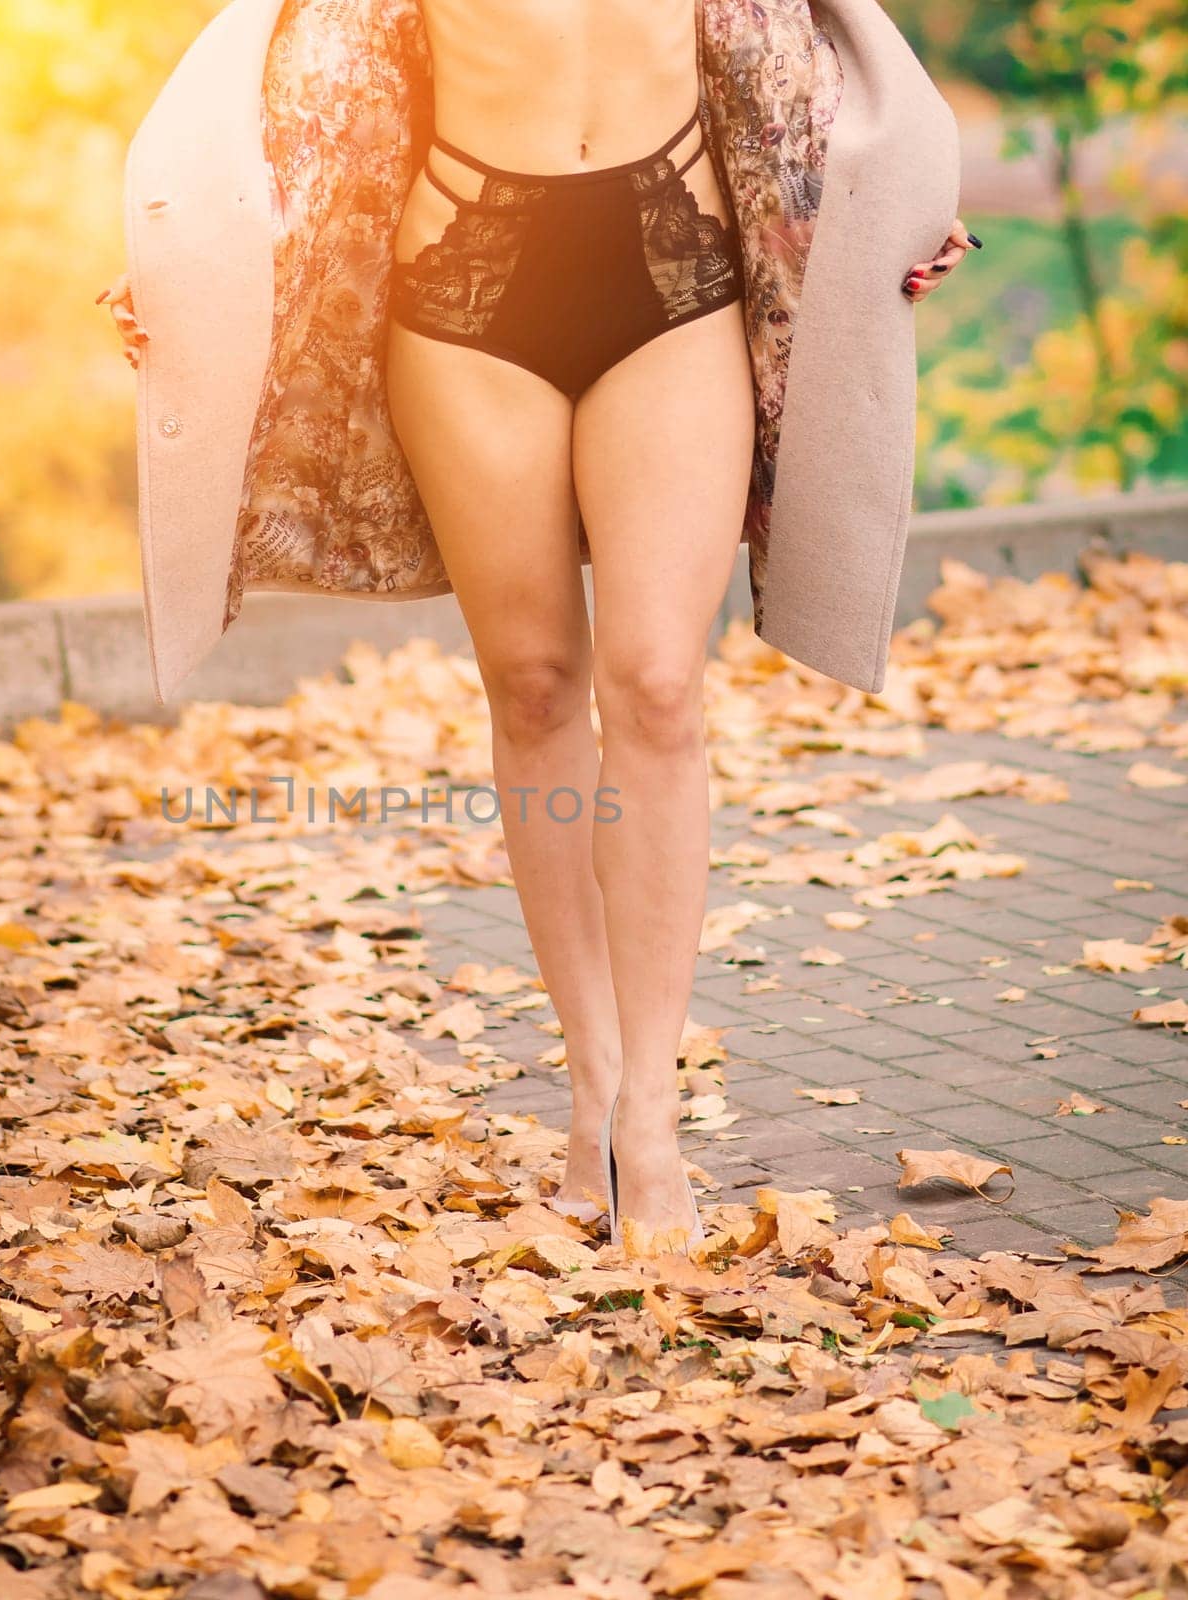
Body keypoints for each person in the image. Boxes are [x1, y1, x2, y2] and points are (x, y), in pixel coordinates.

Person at [98, 0, 975, 1251]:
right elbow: (283, 63)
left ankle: (656, 1125)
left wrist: (902, 196)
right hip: (460, 279)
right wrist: (179, 263)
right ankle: (594, 1083)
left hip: (677, 272)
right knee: (534, 682)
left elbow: (825, 44)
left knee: (660, 683)